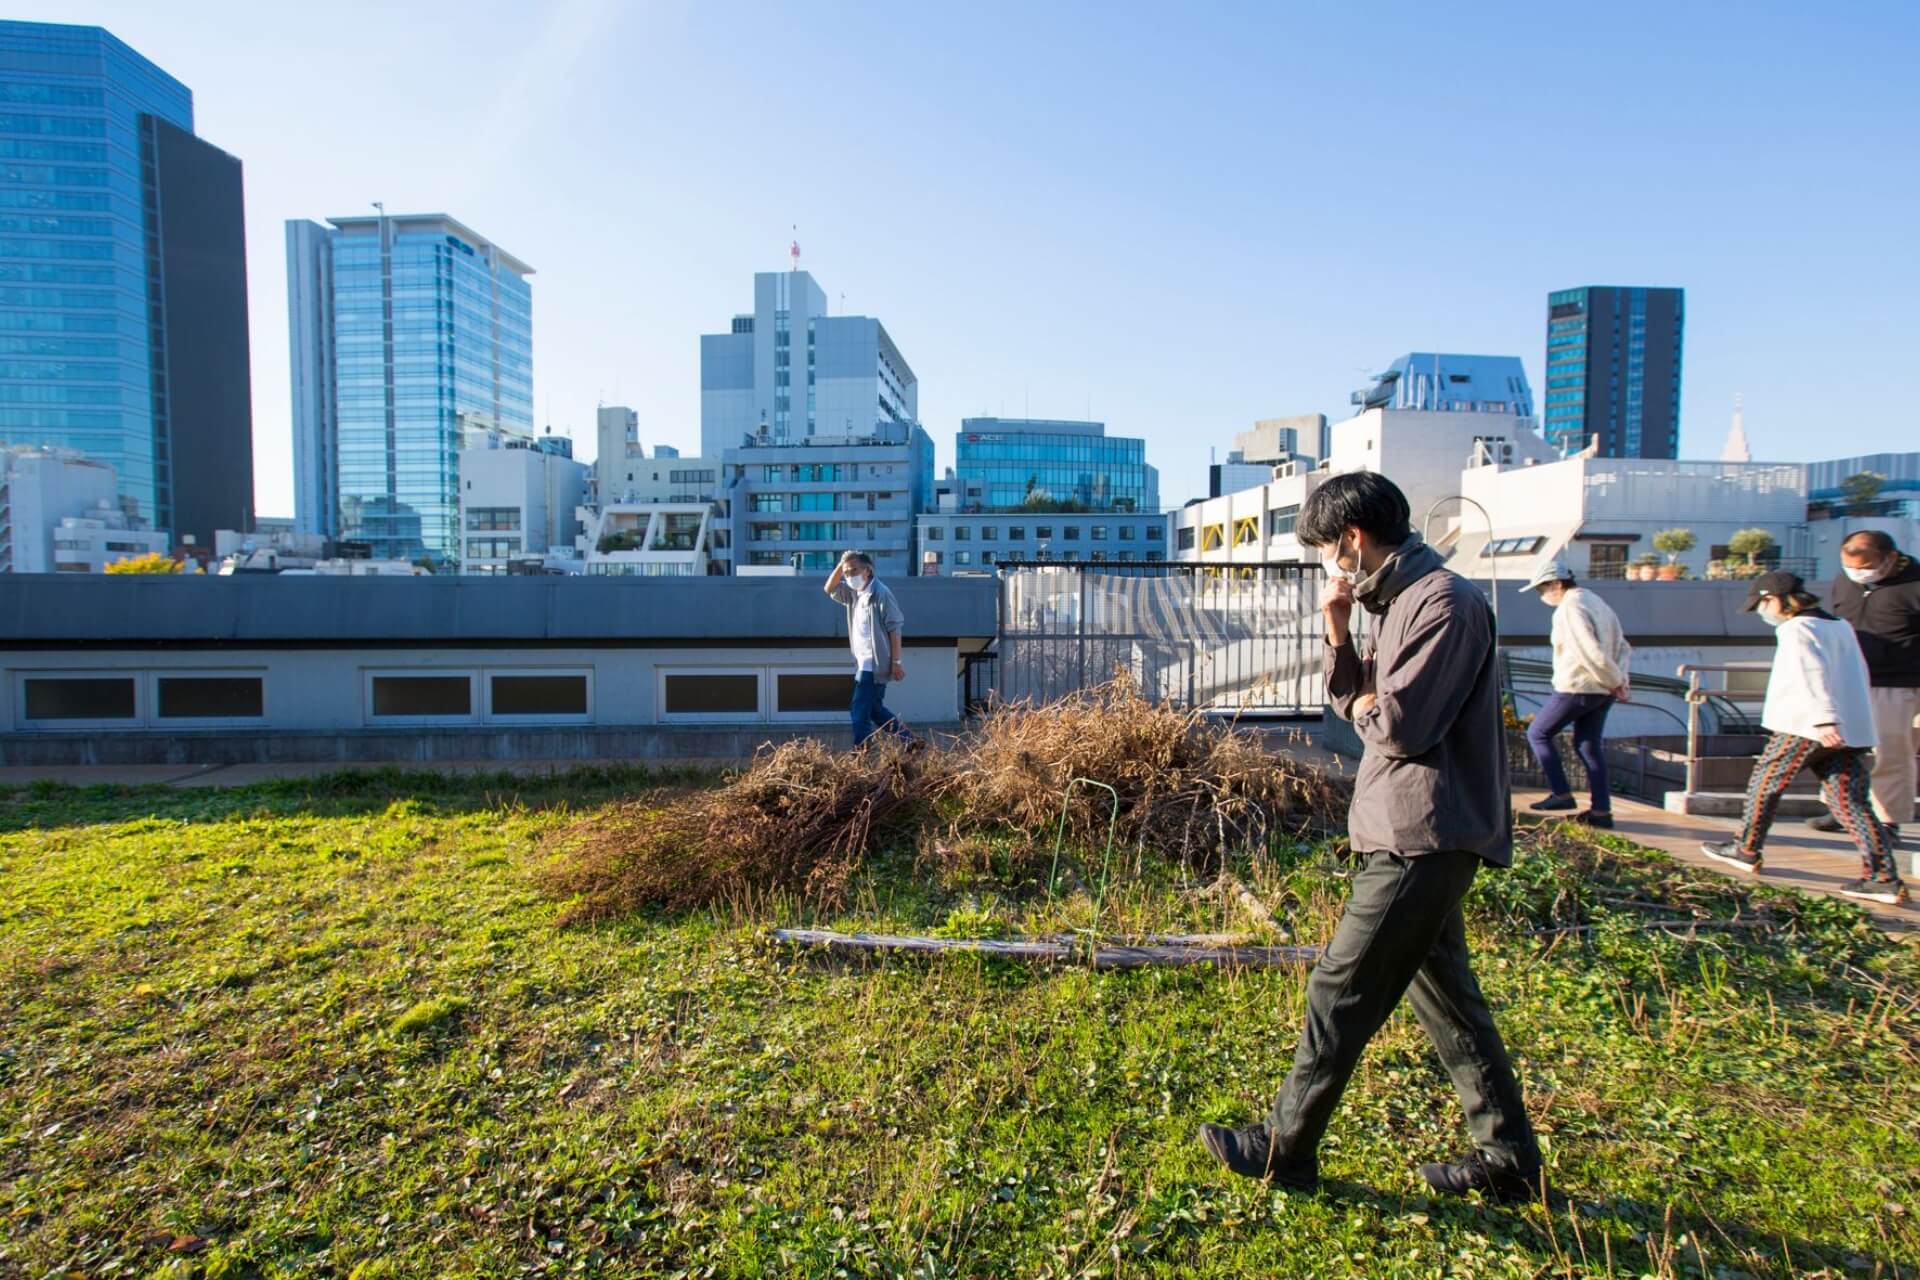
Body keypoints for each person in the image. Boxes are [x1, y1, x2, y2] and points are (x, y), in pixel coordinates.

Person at [1197, 472, 1543, 1202]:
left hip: (1425, 832)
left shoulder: (1444, 603)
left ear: (1353, 539)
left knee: (1338, 987)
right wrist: (1338, 632)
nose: (1329, 563)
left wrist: (1360, 697)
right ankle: (1510, 1164)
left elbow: (1398, 725)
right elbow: (1356, 701)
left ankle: (1282, 1150)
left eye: (1328, 548)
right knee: (1448, 999)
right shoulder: (1393, 601)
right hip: (1410, 828)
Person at [1700, 571, 1906, 905]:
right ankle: (1882, 878)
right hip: (1849, 728)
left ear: (1776, 599)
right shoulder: (1839, 625)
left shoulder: (1797, 630)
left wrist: (1824, 719)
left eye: (1762, 604)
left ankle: (1745, 849)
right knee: (1851, 802)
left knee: (1764, 782)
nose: (1762, 612)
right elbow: (1855, 674)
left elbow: (1811, 674)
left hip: (1807, 725)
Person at [1812, 531, 1919, 849]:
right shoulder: (1845, 582)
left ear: (1890, 557)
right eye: (1850, 567)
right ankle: (1842, 809)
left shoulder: (1915, 584)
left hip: (1896, 682)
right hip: (1849, 678)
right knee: (1839, 748)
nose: (1859, 574)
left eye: (1867, 567)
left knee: (1891, 753)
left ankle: (1888, 820)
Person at [1521, 559, 1631, 829]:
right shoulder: (1596, 601)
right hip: (1603, 690)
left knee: (1538, 733)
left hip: (1578, 686)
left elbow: (1587, 649)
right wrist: (1618, 681)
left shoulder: (1570, 608)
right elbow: (1622, 645)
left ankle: (1561, 794)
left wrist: (1614, 680)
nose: (1542, 595)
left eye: (1543, 589)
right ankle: (1601, 812)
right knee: (1588, 746)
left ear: (1558, 583)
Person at [823, 550, 916, 748]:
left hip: (874, 665)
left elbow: (895, 629)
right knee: (874, 709)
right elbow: (829, 588)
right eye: (847, 573)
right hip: (862, 663)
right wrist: (841, 564)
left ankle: (861, 753)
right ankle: (909, 741)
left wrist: (896, 663)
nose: (850, 576)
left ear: (867, 570)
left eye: (854, 570)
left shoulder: (881, 593)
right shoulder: (853, 593)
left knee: (859, 712)